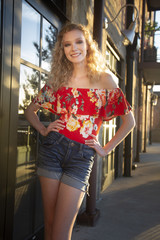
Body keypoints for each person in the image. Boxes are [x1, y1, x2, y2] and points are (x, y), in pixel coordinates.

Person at [25, 23, 135, 240]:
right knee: (49, 224)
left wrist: (104, 149)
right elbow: (30, 111)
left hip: (82, 157)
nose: (73, 48)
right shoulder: (59, 81)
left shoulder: (105, 79)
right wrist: (43, 128)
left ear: (88, 46)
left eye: (78, 42)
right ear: (62, 50)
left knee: (61, 231)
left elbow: (129, 122)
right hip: (53, 149)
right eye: (67, 44)